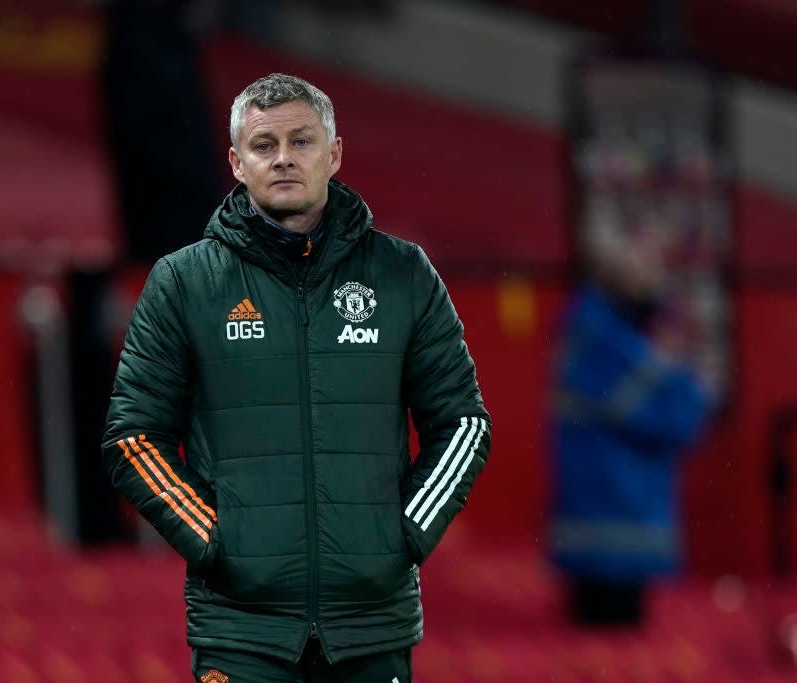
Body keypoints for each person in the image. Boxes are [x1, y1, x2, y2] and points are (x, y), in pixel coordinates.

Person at [102, 73, 491, 682]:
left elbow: (463, 424)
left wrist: (401, 535)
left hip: (371, 627)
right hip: (240, 631)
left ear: (333, 153)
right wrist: (218, 542)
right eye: (263, 145)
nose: (283, 158)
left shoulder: (402, 274)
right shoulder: (183, 283)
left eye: (302, 141)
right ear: (236, 162)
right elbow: (133, 437)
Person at [549, 230, 714, 628]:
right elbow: (674, 412)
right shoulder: (601, 336)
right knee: (603, 646)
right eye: (645, 270)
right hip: (610, 513)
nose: (656, 281)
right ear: (614, 275)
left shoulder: (610, 331)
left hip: (621, 511)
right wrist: (683, 375)